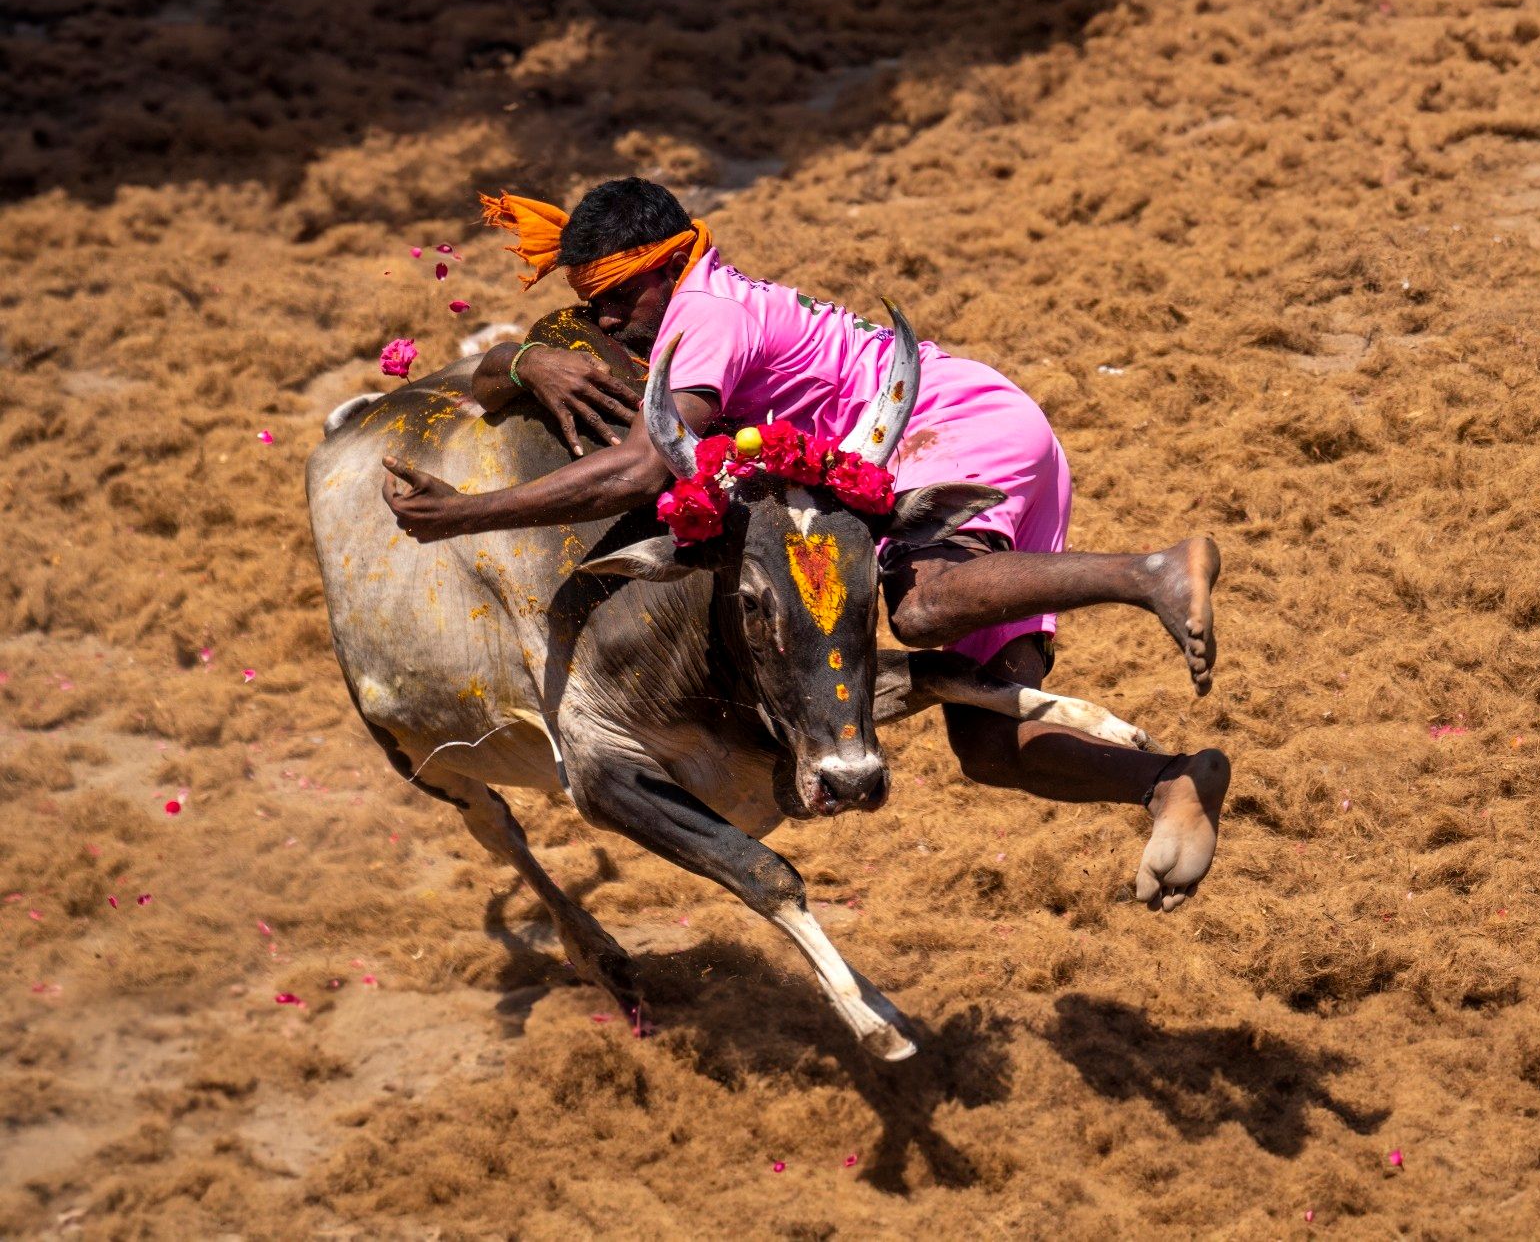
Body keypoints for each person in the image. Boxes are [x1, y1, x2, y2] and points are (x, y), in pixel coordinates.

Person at [382, 178, 1229, 909]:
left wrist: (466, 515)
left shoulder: (702, 315)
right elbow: (488, 375)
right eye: (588, 296)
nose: (601, 317)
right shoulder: (664, 311)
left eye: (616, 295)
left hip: (948, 426)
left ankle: (1149, 571)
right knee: (988, 746)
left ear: (671, 264)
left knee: (923, 605)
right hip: (992, 424)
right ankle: (1169, 783)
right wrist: (529, 358)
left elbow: (642, 469)